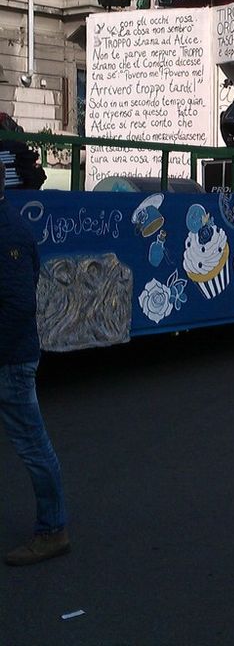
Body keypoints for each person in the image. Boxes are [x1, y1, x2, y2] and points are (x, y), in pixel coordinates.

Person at [0, 161, 69, 565]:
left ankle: (53, 528)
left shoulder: (8, 232)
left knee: (32, 445)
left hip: (10, 360)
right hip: (11, 355)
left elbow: (18, 306)